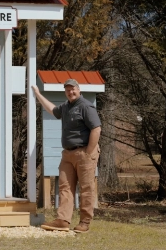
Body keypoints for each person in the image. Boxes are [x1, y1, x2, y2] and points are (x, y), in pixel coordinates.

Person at [32, 79, 101, 233]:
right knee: (65, 187)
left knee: (86, 188)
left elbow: (96, 129)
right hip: (68, 154)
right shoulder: (66, 107)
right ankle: (63, 220)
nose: (71, 92)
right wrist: (38, 94)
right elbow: (52, 110)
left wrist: (89, 152)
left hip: (84, 152)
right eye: (68, 90)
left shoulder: (85, 106)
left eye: (73, 89)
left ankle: (84, 222)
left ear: (79, 89)